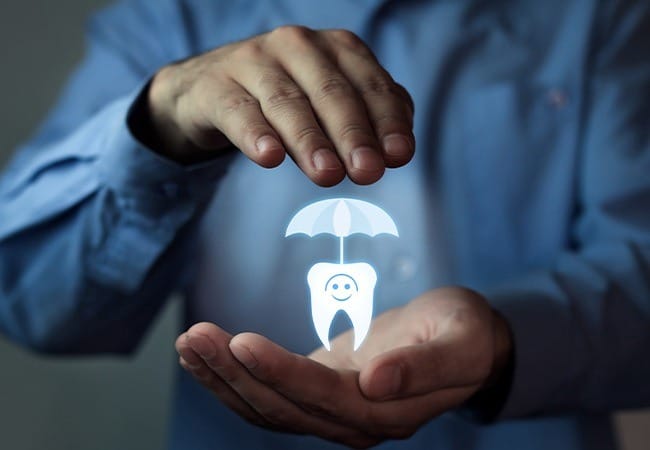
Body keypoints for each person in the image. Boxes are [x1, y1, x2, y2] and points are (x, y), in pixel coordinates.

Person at [0, 0, 648, 449]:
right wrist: (157, 129)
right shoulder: (173, 18)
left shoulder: (597, 18)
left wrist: (507, 336)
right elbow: (29, 299)